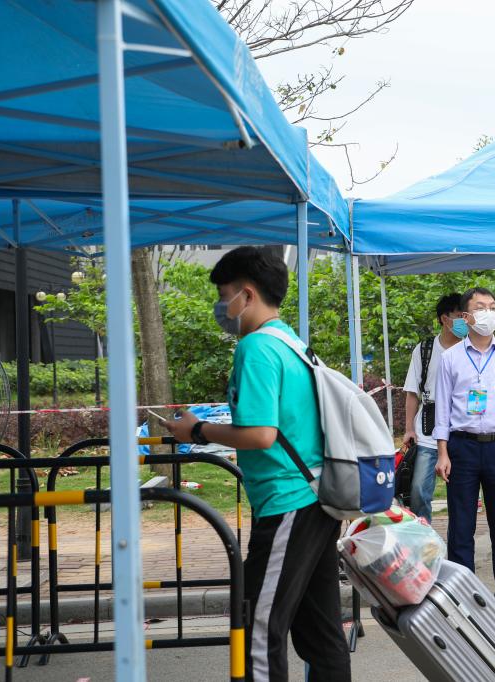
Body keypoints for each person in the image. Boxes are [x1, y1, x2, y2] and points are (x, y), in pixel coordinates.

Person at [164, 246, 350, 681]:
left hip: (287, 503)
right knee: (321, 634)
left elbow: (261, 434)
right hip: (314, 499)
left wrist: (197, 430)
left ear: (246, 295)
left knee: (256, 628)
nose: (221, 307)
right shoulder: (291, 342)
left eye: (223, 295)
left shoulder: (257, 347)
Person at [433, 287, 495, 623]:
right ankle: (464, 599)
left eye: (492, 306)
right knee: (461, 528)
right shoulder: (450, 358)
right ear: (466, 316)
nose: (488, 312)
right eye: (480, 307)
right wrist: (442, 453)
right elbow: (442, 409)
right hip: (461, 447)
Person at [402, 293, 466, 522]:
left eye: (466, 316)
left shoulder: (471, 348)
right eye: (459, 316)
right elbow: (412, 392)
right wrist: (409, 429)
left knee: (461, 493)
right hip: (428, 428)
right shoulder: (424, 350)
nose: (464, 322)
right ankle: (424, 535)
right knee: (419, 489)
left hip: (461, 426)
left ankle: (458, 538)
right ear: (444, 319)